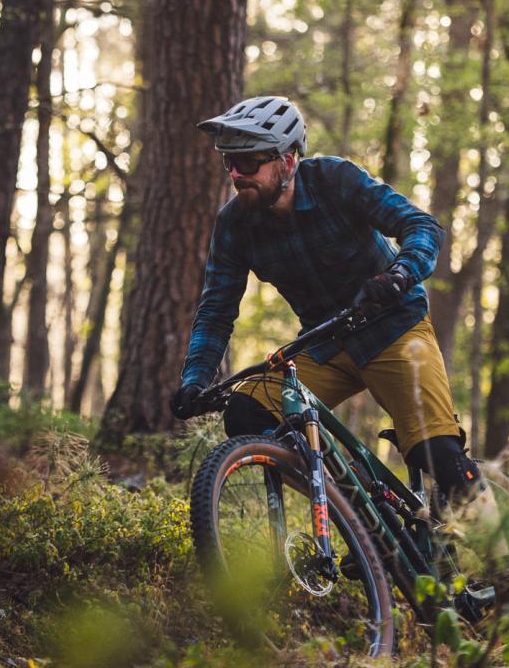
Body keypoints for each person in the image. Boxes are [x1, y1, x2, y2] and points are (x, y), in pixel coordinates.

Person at [167, 95, 480, 502]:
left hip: (394, 330)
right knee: (246, 413)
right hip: (324, 344)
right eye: (229, 162)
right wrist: (195, 380)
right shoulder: (234, 224)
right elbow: (216, 310)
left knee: (435, 452)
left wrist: (400, 274)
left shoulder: (336, 180)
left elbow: (421, 225)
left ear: (289, 160)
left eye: (247, 163)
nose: (236, 175)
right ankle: (361, 517)